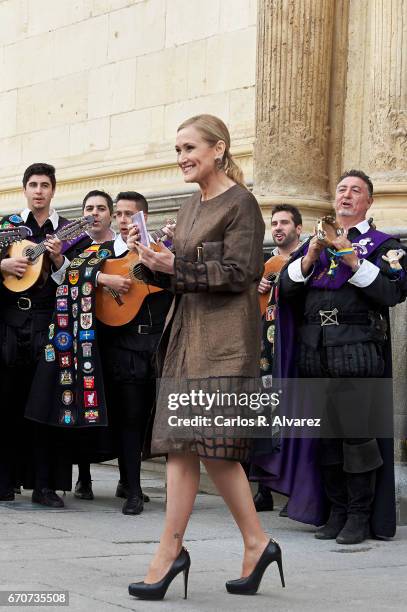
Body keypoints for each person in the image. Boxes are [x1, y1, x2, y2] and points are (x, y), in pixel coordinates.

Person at [126, 114, 284, 600]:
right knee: (181, 444)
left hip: (223, 343)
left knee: (215, 451)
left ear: (218, 149)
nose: (182, 158)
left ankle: (243, 545)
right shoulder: (192, 207)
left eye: (189, 148)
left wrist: (179, 265)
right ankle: (227, 546)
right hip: (185, 337)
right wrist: (152, 264)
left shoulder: (242, 203)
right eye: (177, 150)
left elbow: (240, 272)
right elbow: (183, 275)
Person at [277, 169, 407, 544]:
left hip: (357, 350)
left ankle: (359, 516)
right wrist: (310, 256)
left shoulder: (384, 246)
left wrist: (351, 261)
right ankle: (334, 511)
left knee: (357, 439)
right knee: (327, 439)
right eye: (341, 190)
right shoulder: (311, 245)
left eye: (355, 191)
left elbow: (392, 292)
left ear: (369, 202)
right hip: (315, 352)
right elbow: (286, 289)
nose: (346, 196)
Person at [0, 163, 79, 507]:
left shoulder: (66, 230)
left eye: (45, 185)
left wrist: (60, 259)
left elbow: (74, 278)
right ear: (25, 189)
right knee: (5, 403)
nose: (39, 191)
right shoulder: (8, 228)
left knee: (44, 402)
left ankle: (44, 486)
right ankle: (4, 481)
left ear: (53, 190)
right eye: (33, 184)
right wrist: (1, 265)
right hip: (9, 322)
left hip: (47, 324)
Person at [96, 191, 173, 514]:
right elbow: (75, 279)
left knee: (154, 420)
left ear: (143, 218)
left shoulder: (160, 253)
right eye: (120, 214)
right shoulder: (103, 255)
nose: (124, 220)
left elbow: (177, 285)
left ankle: (156, 486)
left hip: (157, 348)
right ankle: (133, 490)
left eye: (131, 214)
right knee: (129, 417)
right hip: (123, 347)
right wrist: (103, 278)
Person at [252, 204, 303, 514]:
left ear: (298, 228)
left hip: (295, 348)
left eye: (285, 222)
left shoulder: (306, 260)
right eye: (274, 223)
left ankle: (295, 490)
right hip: (266, 353)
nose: (279, 227)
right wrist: (256, 289)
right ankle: (264, 488)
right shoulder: (268, 263)